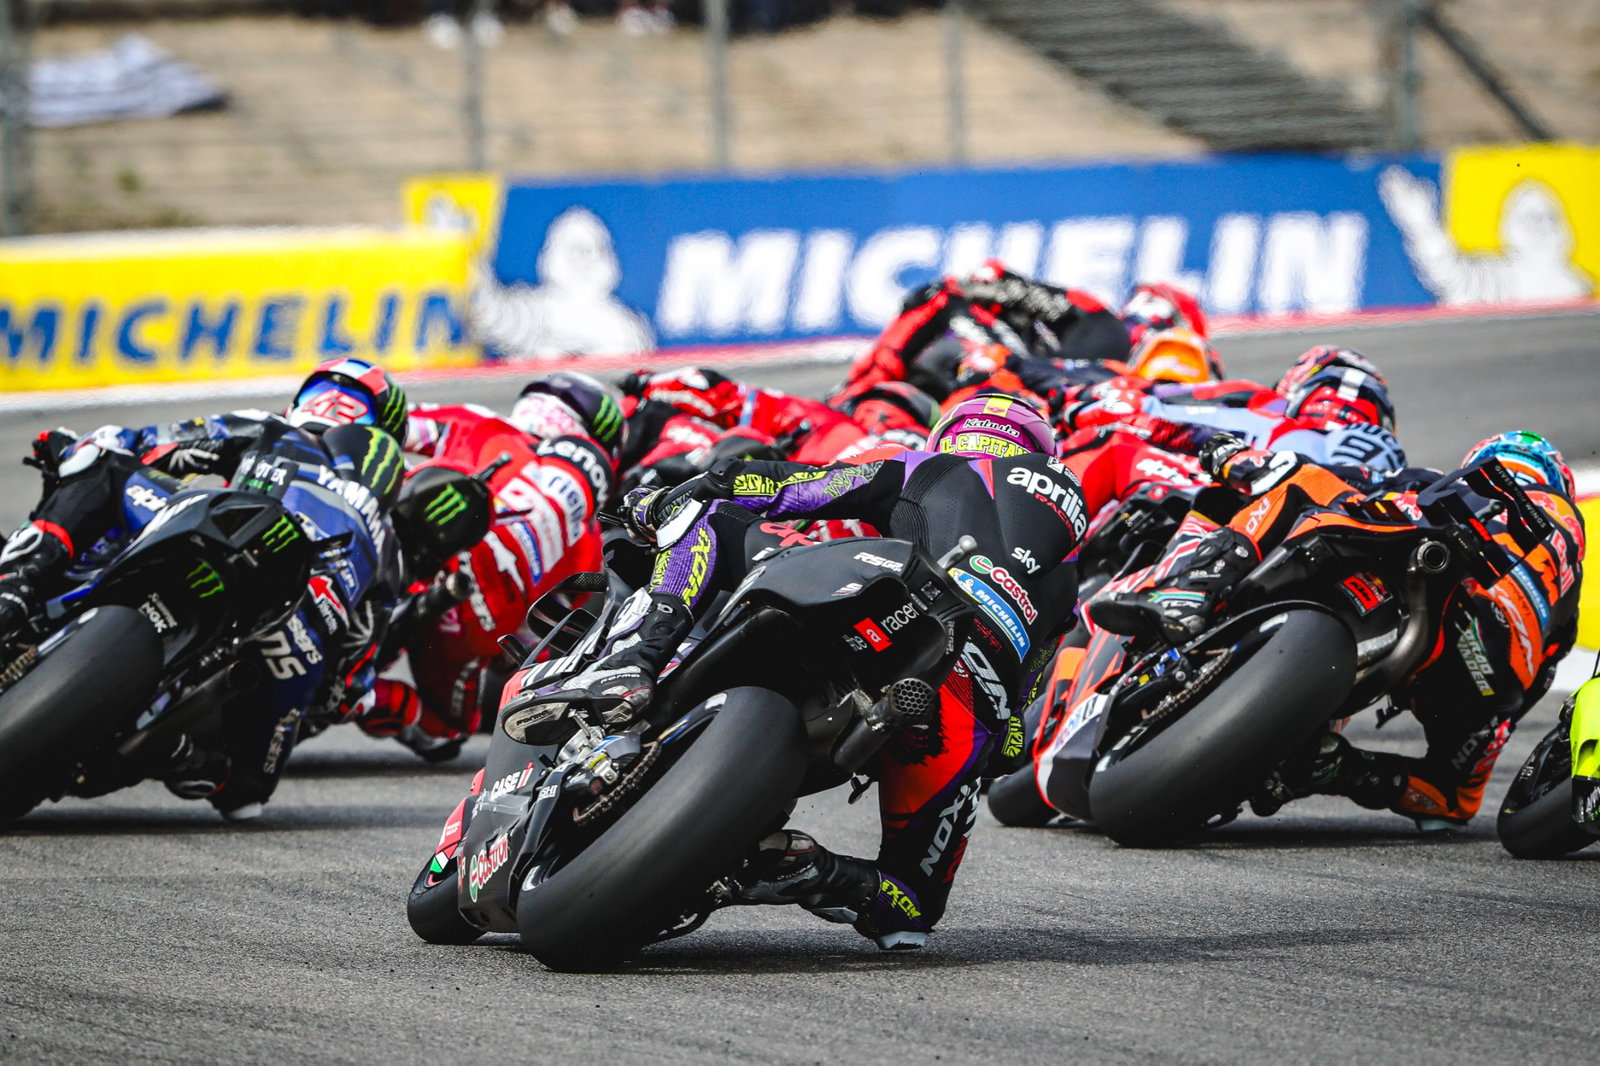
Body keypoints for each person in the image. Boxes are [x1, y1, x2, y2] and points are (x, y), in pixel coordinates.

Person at [498, 392, 1088, 949]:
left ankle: (633, 660)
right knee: (909, 909)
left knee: (715, 515)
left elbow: (794, 488)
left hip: (897, 600)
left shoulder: (933, 466)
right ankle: (814, 868)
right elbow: (1014, 741)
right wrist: (979, 752)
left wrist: (675, 494)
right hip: (959, 703)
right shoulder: (1070, 575)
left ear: (955, 436)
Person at [1090, 429, 1585, 830]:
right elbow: (1516, 713)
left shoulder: (1447, 483)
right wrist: (1368, 772)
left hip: (1420, 570)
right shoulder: (1567, 606)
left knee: (1297, 481)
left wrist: (1235, 458)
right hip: (1486, 672)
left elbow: (1326, 474)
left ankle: (1194, 587)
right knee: (1453, 796)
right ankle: (1338, 766)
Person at [0, 358, 421, 818]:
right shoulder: (391, 550)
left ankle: (17, 583)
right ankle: (183, 754)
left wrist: (68, 452)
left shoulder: (270, 430)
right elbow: (354, 670)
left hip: (219, 536)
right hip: (301, 635)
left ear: (302, 401)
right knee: (245, 791)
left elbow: (141, 445)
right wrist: (318, 698)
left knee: (102, 465)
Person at [366, 372, 621, 757]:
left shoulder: (479, 424)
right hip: (469, 627)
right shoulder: (592, 537)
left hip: (396, 543)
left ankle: (353, 690)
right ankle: (368, 699)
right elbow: (549, 638)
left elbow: (380, 425)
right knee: (445, 732)